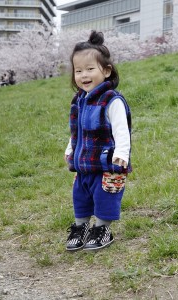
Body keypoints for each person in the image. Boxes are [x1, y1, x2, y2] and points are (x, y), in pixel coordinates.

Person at [64, 30, 132, 252]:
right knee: (80, 197)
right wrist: (70, 148)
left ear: (106, 70)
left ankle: (102, 229)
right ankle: (81, 227)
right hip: (84, 163)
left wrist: (122, 153)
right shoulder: (79, 100)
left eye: (90, 69)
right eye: (78, 70)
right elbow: (77, 131)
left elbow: (122, 130)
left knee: (105, 197)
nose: (84, 75)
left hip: (107, 164)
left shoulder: (112, 100)